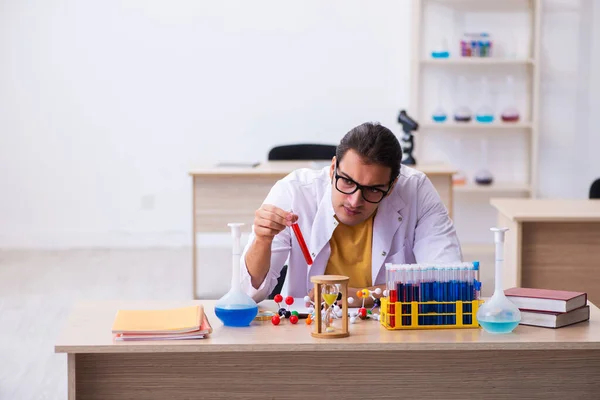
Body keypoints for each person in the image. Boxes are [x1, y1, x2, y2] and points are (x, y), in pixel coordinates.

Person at [240, 122, 462, 303]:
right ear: (333, 167)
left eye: (373, 189)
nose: (355, 201)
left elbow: (448, 282)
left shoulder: (415, 190)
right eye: (346, 181)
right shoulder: (295, 192)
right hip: (307, 332)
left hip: (389, 332)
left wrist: (362, 296)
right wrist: (262, 239)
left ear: (392, 186)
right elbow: (250, 293)